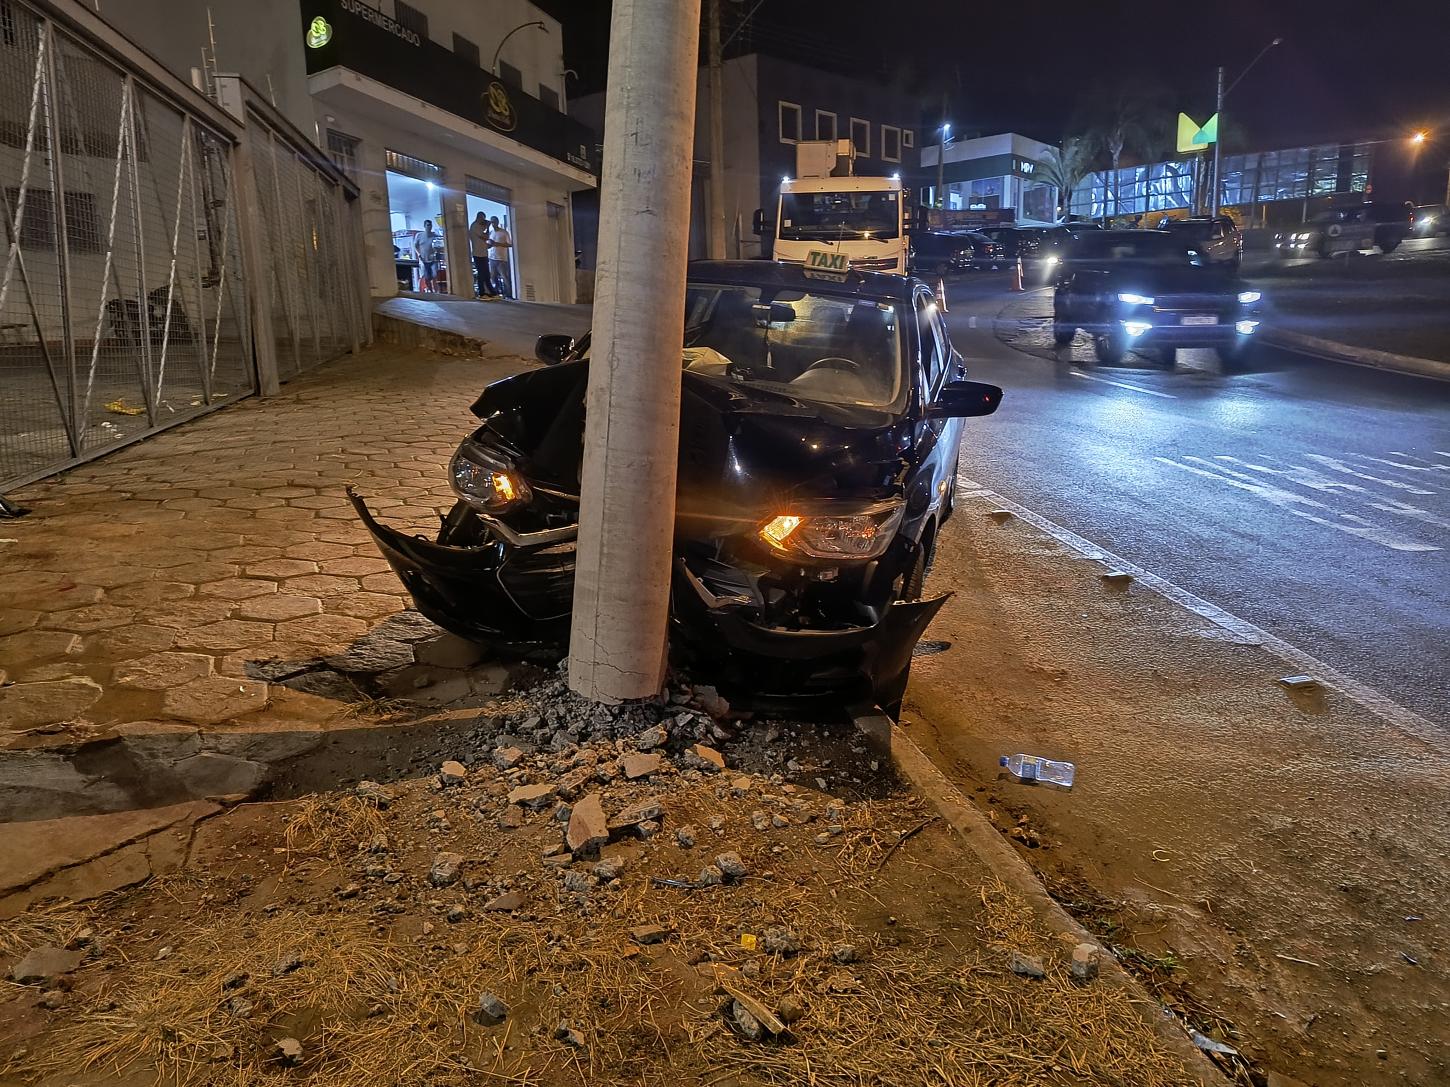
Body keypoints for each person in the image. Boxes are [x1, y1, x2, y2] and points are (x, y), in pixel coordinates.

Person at [469, 211, 495, 298]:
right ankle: (482, 293)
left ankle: (492, 292)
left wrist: (487, 224)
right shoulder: (475, 226)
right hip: (478, 254)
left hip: (483, 253)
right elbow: (485, 236)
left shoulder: (479, 226)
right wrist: (487, 227)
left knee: (487, 274)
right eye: (483, 219)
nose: (483, 221)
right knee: (481, 274)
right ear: (479, 218)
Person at [487, 216, 513, 299]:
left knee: (505, 277)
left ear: (497, 222)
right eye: (492, 222)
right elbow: (489, 245)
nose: (493, 224)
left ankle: (508, 295)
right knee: (493, 278)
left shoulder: (504, 232)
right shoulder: (491, 232)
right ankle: (496, 294)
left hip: (501, 259)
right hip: (492, 258)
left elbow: (510, 244)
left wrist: (497, 244)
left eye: (494, 222)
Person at [414, 220, 439, 293]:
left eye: (430, 225)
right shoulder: (419, 235)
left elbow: (438, 246)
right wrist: (419, 254)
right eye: (428, 225)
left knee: (434, 275)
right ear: (424, 226)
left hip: (433, 259)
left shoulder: (434, 236)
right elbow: (415, 246)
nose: (429, 227)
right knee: (426, 277)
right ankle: (430, 291)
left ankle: (436, 291)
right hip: (423, 259)